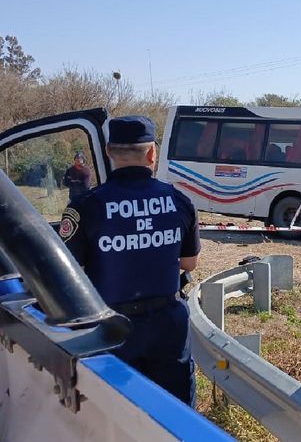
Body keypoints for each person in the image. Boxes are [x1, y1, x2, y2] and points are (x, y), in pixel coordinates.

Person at [58, 116, 201, 405]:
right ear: (152, 153)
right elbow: (189, 263)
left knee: (116, 410)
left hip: (110, 328)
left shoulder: (85, 206)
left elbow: (68, 271)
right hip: (167, 325)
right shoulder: (179, 201)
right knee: (174, 412)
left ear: (109, 151)